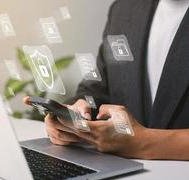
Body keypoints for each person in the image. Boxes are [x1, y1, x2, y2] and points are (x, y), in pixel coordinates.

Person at [25, 0, 189, 160]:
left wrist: (144, 142)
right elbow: (98, 89)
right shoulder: (123, 10)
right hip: (125, 176)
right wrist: (71, 116)